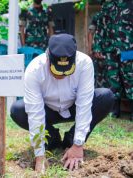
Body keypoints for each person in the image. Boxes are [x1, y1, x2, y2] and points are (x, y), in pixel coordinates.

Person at [10, 34, 114, 172]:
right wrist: (39, 155)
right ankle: (52, 138)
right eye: (57, 71)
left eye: (66, 72)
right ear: (48, 58)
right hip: (48, 110)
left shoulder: (84, 63)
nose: (61, 75)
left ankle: (70, 140)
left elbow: (84, 104)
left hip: (73, 106)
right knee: (17, 110)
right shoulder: (34, 70)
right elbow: (35, 112)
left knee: (106, 96)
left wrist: (78, 145)